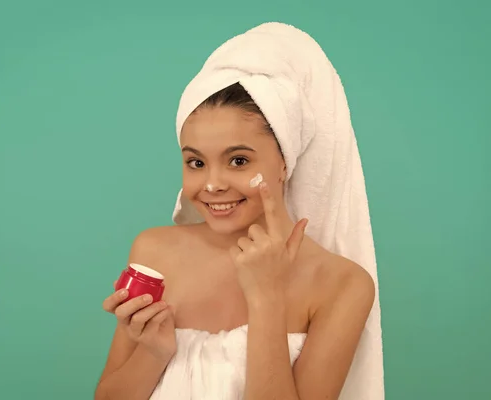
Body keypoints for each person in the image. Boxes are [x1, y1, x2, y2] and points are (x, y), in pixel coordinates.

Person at [94, 22, 383, 400]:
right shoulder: (154, 252)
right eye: (196, 163)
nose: (212, 184)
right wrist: (153, 351)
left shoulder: (343, 285)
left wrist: (265, 296)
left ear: (284, 162)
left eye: (238, 160)